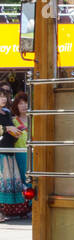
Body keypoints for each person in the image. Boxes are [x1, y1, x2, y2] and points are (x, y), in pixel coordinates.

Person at [0, 89, 29, 221]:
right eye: (0, 97)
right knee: (2, 182)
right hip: (1, 151)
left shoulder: (6, 113)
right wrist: (6, 129)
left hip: (10, 150)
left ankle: (12, 210)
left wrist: (15, 131)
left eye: (4, 96)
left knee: (11, 183)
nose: (3, 99)